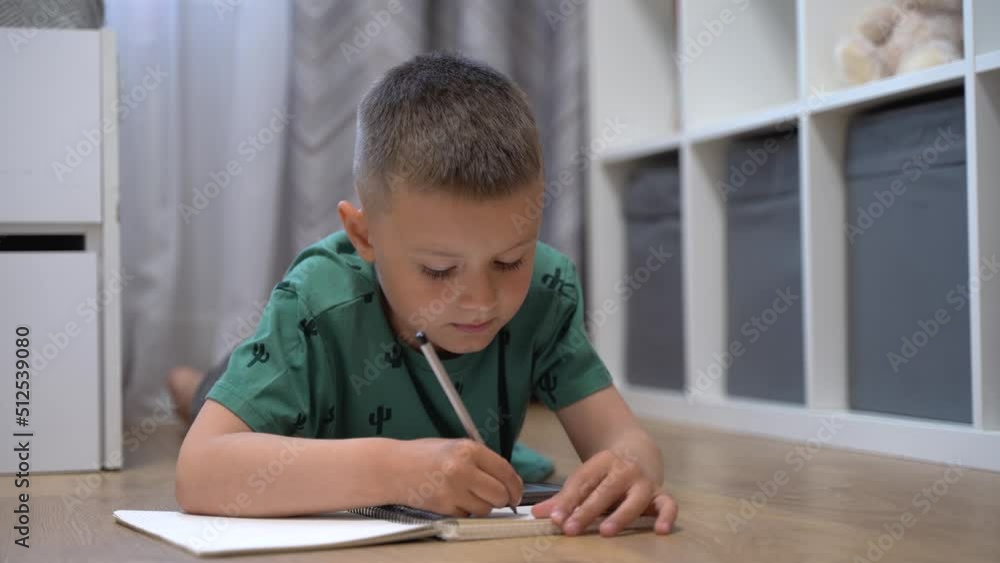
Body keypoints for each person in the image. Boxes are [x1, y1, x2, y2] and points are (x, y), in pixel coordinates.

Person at [173, 52, 677, 537]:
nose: (480, 300)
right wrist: (395, 470)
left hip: (448, 447)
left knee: (490, 464)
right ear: (364, 236)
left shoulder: (546, 290)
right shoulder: (314, 300)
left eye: (509, 261)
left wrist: (630, 468)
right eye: (438, 270)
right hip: (289, 404)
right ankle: (191, 383)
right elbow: (200, 470)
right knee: (206, 395)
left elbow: (625, 439)